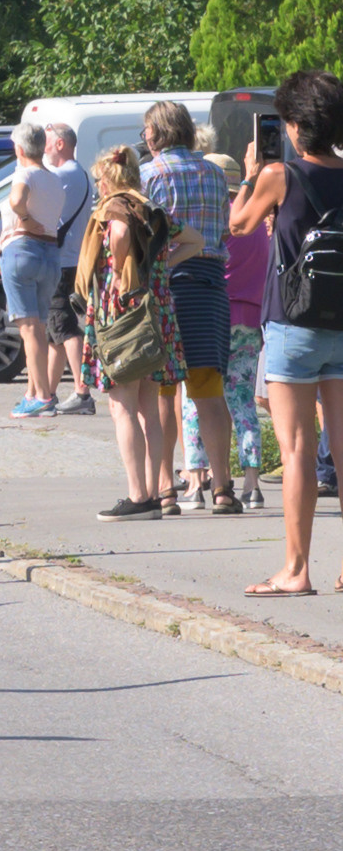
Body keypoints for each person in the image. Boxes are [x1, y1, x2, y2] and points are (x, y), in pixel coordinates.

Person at [233, 71, 343, 593]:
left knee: (298, 447)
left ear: (295, 125)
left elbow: (238, 223)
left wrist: (252, 175)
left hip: (293, 324)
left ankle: (297, 570)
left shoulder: (280, 175)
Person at [138, 103, 239, 512]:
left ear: (157, 133)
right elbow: (224, 229)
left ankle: (165, 490)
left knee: (164, 392)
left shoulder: (149, 175)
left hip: (167, 288)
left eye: (147, 130)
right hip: (210, 287)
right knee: (210, 394)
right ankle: (223, 489)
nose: (144, 136)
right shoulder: (215, 173)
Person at [78, 145, 187, 522]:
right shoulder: (153, 209)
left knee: (121, 405)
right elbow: (195, 241)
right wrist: (158, 268)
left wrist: (123, 267)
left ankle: (137, 495)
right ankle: (158, 492)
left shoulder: (117, 206)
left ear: (107, 179)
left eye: (97, 180)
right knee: (149, 411)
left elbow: (120, 233)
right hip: (156, 311)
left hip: (123, 313)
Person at [186, 153, 268, 509]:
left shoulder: (222, 219)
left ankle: (196, 477)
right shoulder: (258, 219)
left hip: (215, 313)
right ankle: (252, 482)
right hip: (251, 315)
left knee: (198, 398)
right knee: (242, 400)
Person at [0, 122, 68, 418]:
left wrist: (23, 217)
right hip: (50, 254)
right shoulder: (53, 179)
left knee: (29, 330)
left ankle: (41, 396)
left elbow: (16, 201)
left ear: (20, 148)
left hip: (23, 250)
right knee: (38, 327)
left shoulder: (24, 173)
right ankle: (33, 392)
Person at [46, 123, 97, 413]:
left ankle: (82, 392)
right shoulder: (79, 173)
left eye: (48, 143)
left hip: (61, 260)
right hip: (71, 259)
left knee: (64, 327)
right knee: (54, 333)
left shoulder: (60, 175)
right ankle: (48, 394)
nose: (44, 149)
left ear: (61, 144)